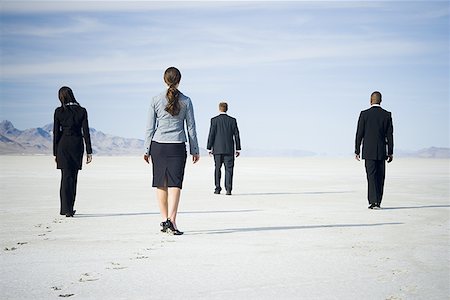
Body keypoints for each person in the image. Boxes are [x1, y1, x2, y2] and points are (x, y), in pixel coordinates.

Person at [144, 67, 200, 235]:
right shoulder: (187, 100)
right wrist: (194, 149)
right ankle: (172, 221)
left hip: (158, 146)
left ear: (164, 80)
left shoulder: (155, 99)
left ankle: (164, 220)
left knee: (161, 183)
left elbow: (149, 127)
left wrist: (146, 149)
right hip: (177, 146)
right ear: (179, 80)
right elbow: (191, 127)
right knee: (175, 184)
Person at [53, 86, 93, 217]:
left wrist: (55, 152)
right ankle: (70, 209)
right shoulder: (82, 111)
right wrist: (89, 151)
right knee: (73, 178)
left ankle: (65, 209)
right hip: (76, 146)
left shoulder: (59, 111)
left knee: (65, 177)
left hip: (63, 146)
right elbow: (86, 132)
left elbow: (56, 133)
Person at [355, 91, 394, 209]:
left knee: (371, 177)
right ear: (380, 101)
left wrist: (357, 150)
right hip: (381, 151)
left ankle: (373, 202)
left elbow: (359, 133)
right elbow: (390, 135)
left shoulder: (364, 114)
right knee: (380, 177)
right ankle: (378, 202)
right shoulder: (386, 114)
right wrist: (390, 152)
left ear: (370, 100)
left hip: (368, 151)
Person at [207, 102, 241, 195]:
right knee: (229, 170)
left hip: (217, 150)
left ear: (219, 109)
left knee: (217, 168)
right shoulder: (232, 120)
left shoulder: (214, 120)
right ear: (227, 109)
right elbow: (236, 135)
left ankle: (217, 189)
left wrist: (209, 147)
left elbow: (211, 134)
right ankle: (228, 189)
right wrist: (238, 148)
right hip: (229, 150)